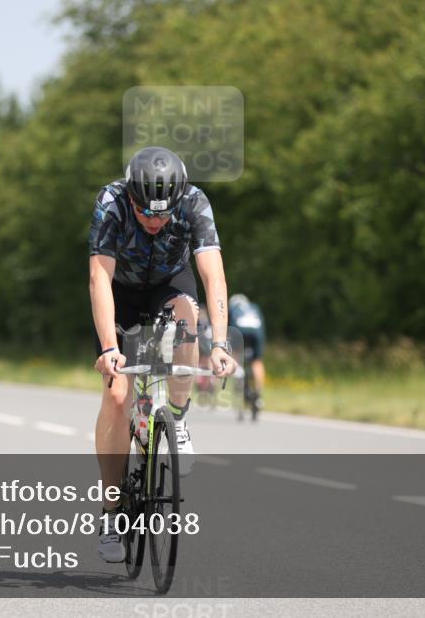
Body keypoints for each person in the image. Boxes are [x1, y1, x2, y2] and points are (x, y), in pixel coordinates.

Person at [89, 145, 236, 562]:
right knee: (117, 396)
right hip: (121, 291)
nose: (154, 222)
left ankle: (177, 415)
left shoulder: (193, 202)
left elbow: (214, 277)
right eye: (145, 213)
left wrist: (221, 344)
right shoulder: (111, 204)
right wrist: (109, 348)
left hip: (171, 282)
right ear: (131, 198)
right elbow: (99, 281)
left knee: (187, 322)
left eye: (162, 214)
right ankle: (112, 512)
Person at [229, 293, 266, 421]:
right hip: (256, 332)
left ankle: (238, 374)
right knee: (257, 361)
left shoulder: (233, 308)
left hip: (240, 331)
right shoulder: (254, 307)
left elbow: (228, 328)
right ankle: (258, 393)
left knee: (236, 357)